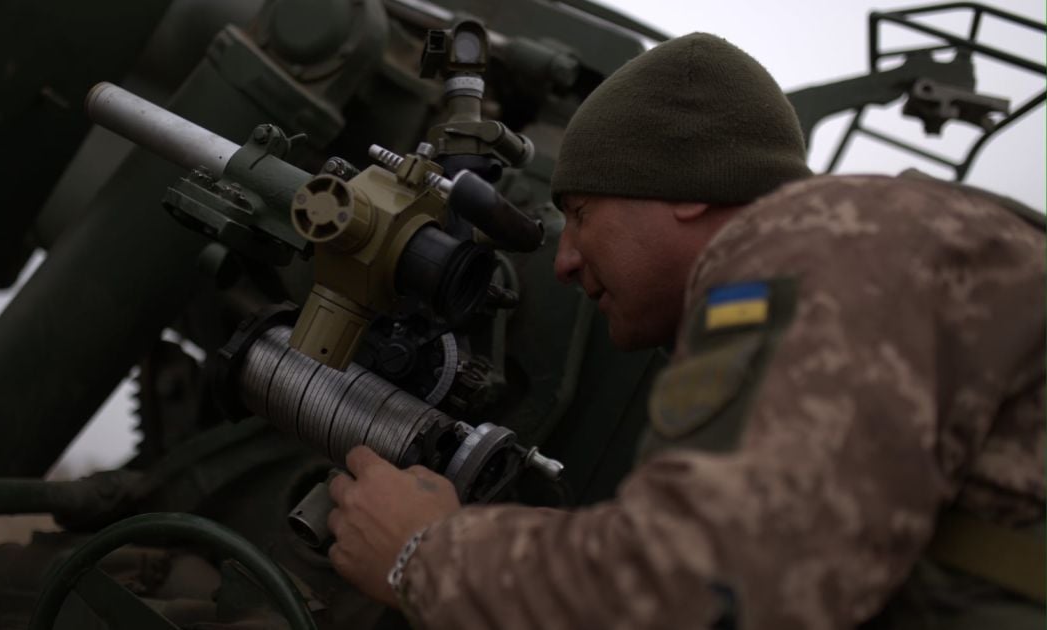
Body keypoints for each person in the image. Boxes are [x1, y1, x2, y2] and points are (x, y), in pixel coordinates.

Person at [324, 33, 1046, 629]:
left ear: (688, 189)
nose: (565, 260)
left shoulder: (820, 245)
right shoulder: (872, 247)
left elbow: (710, 584)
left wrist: (422, 554)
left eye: (581, 214)